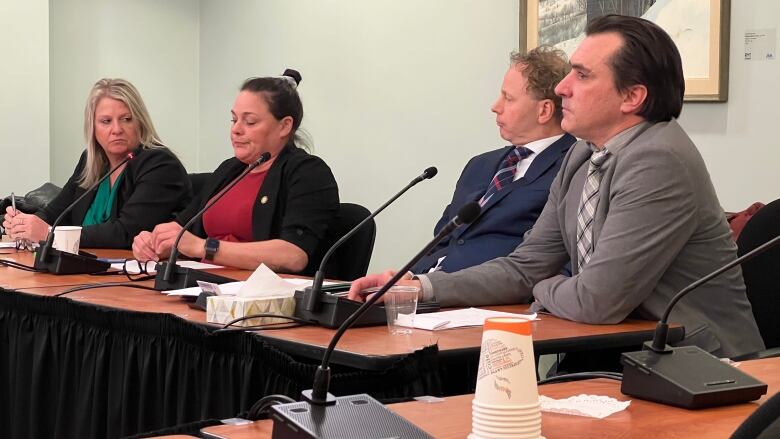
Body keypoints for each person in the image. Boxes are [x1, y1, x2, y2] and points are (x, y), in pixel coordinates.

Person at [350, 15, 764, 359]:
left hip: (702, 367)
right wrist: (417, 286)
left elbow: (595, 302)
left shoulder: (659, 160)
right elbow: (525, 264)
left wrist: (540, 287)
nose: (563, 87)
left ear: (633, 96)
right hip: (621, 353)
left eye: (581, 75)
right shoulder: (583, 155)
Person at [132, 70, 339, 274]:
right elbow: (183, 230)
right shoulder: (229, 170)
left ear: (284, 126)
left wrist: (205, 248)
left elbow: (293, 256)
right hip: (204, 285)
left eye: (250, 122)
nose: (236, 129)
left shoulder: (308, 173)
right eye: (234, 120)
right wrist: (155, 242)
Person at [411, 46, 575, 274]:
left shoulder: (574, 167)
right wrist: (407, 280)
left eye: (508, 98)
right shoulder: (479, 165)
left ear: (544, 110)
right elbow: (441, 238)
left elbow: (550, 261)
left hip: (493, 299)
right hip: (428, 291)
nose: (495, 107)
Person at [2, 78, 191, 249]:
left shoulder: (161, 165)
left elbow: (127, 233)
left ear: (140, 122)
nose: (116, 129)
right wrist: (25, 224)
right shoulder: (91, 161)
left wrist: (49, 234)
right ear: (92, 127)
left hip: (130, 274)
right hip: (83, 267)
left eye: (126, 119)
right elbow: (55, 213)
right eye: (106, 121)